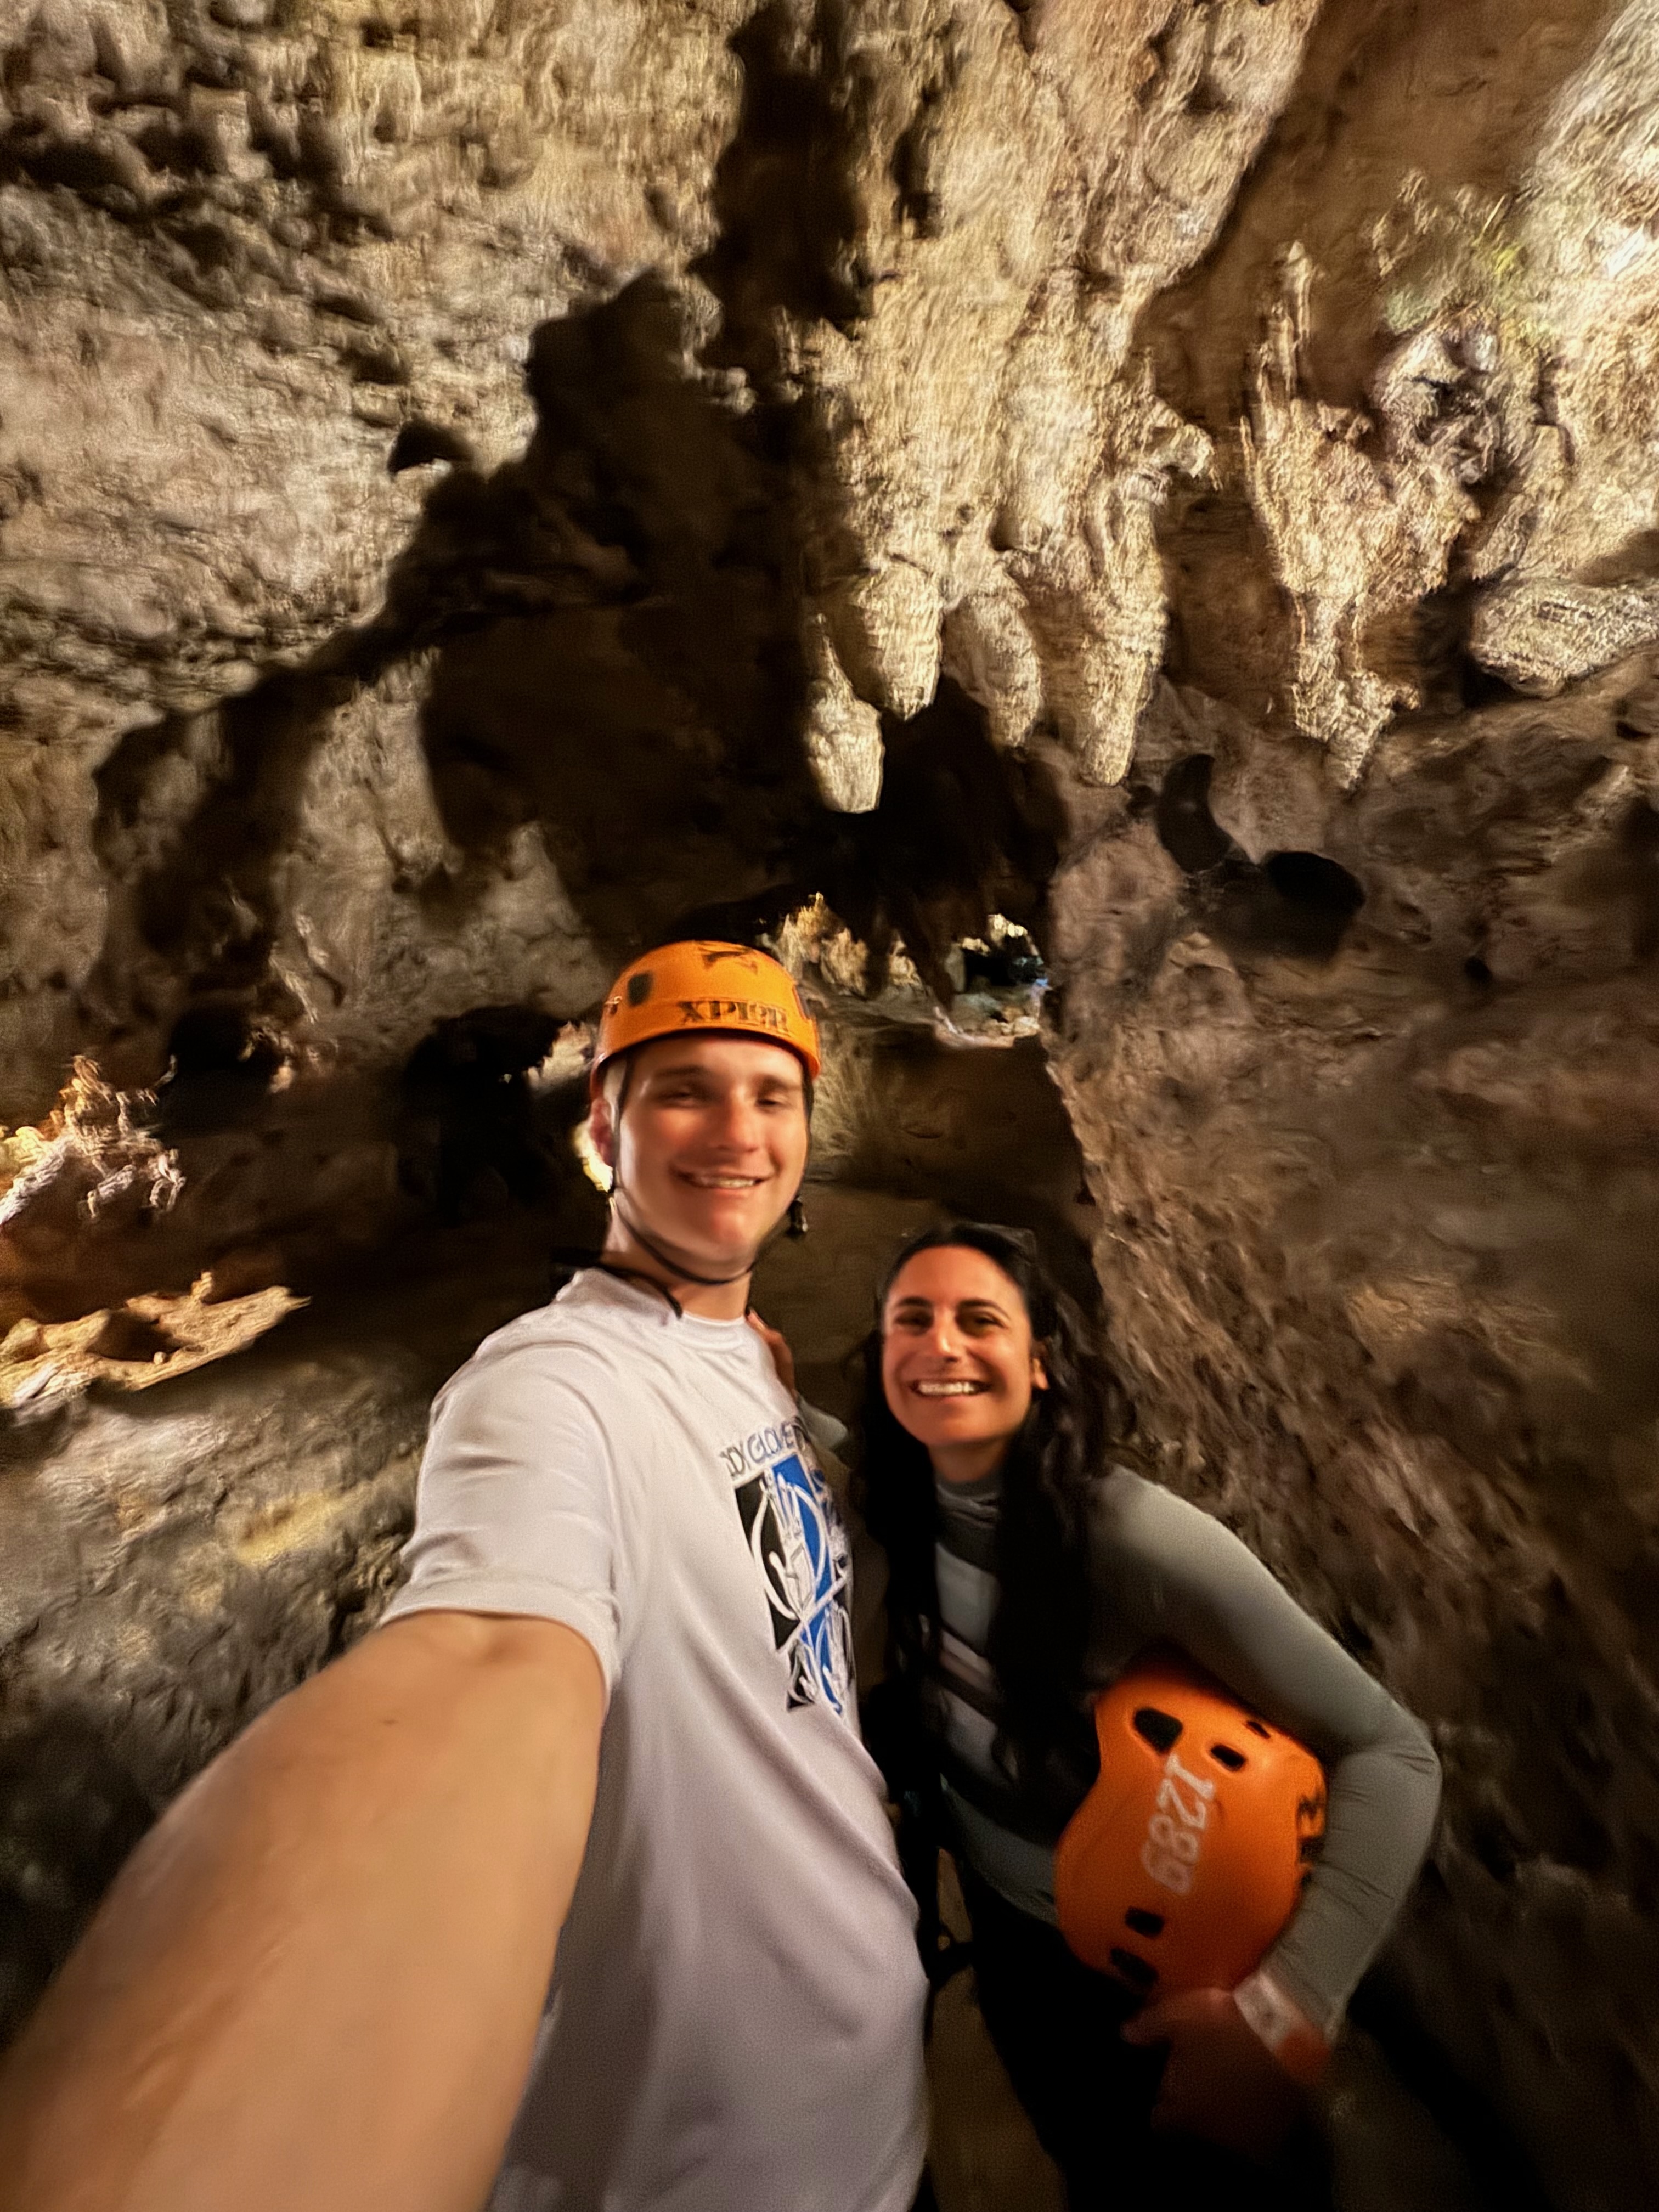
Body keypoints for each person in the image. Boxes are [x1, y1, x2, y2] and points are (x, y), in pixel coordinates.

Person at [0, 941, 928, 2212]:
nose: (738, 1130)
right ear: (604, 1122)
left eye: (773, 1094)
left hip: (875, 2130)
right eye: (684, 1090)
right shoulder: (548, 1387)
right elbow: (489, 1664)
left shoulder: (741, 1360)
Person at [857, 1221, 1442, 2211]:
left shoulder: (1131, 1541)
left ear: (1041, 1365)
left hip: (1152, 1978)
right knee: (1095, 2172)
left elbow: (1392, 1751)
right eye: (911, 1320)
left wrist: (1285, 2014)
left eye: (979, 1320)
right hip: (1015, 1947)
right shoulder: (891, 1502)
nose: (942, 1345)